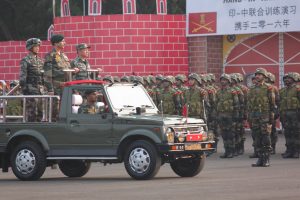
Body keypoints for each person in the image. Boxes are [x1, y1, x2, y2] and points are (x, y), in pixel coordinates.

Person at [248, 68, 275, 167]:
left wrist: (272, 116)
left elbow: (272, 103)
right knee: (257, 138)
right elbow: (249, 103)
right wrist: (249, 116)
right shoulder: (252, 88)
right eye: (257, 75)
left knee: (266, 137)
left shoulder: (268, 88)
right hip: (255, 116)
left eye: (260, 74)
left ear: (264, 76)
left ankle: (266, 159)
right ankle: (260, 159)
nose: (257, 76)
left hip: (265, 115)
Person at [19, 38, 45, 122]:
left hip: (40, 90)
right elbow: (23, 76)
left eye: (38, 46)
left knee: (40, 112)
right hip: (30, 90)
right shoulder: (25, 60)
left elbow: (43, 76)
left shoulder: (41, 61)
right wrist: (24, 89)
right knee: (32, 113)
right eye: (35, 46)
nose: (38, 48)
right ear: (30, 47)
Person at [215, 74, 239, 158]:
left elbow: (236, 104)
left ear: (228, 81)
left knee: (230, 134)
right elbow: (216, 103)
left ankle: (231, 151)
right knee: (224, 134)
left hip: (230, 115)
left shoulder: (232, 91)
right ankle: (226, 151)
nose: (223, 81)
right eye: (222, 80)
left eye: (224, 80)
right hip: (221, 115)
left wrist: (236, 114)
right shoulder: (218, 92)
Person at [279, 72, 300, 158]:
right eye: (285, 78)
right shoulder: (282, 91)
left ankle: (296, 151)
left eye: (289, 78)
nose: (286, 80)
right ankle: (289, 150)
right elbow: (280, 103)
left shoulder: (298, 89)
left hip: (296, 113)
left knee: (296, 133)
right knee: (287, 133)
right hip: (285, 114)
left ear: (294, 79)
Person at [266, 72, 280, 154]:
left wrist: (277, 111)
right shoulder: (263, 88)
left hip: (272, 112)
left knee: (272, 130)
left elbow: (277, 101)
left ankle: (273, 147)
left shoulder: (274, 88)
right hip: (264, 112)